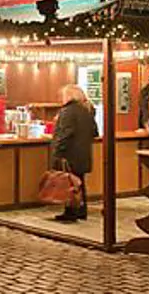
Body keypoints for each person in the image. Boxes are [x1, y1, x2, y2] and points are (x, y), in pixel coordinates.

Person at [51, 84, 97, 222]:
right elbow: (95, 132)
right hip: (83, 153)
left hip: (69, 153)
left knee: (69, 183)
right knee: (79, 182)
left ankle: (71, 212)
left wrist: (57, 152)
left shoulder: (67, 111)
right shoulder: (87, 110)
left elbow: (65, 134)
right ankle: (81, 210)